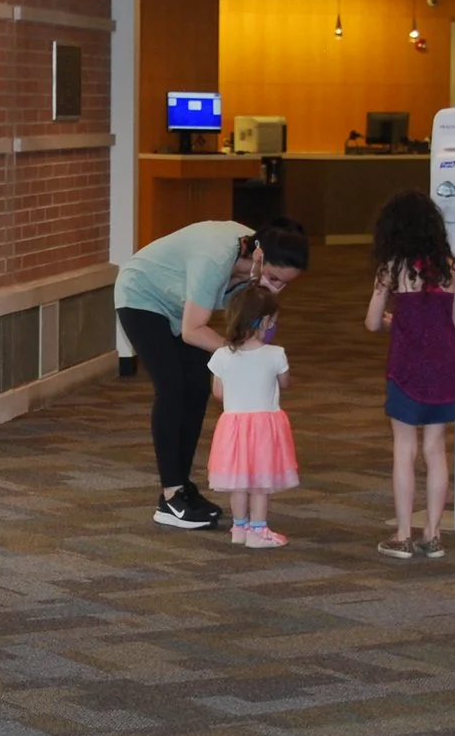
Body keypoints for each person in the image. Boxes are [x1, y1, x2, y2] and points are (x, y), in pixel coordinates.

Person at [114, 217, 310, 529]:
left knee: (197, 386)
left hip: (180, 306)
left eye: (284, 284)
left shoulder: (256, 263)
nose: (275, 288)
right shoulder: (215, 257)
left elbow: (241, 325)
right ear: (259, 256)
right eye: (273, 278)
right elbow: (194, 330)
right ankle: (171, 494)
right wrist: (241, 357)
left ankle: (182, 486)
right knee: (172, 386)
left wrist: (252, 347)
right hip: (142, 295)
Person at [366, 192, 455, 560]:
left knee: (404, 449)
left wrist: (395, 320)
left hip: (407, 366)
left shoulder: (391, 268)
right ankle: (433, 534)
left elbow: (373, 322)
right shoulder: (449, 267)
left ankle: (403, 534)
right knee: (435, 450)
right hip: (445, 366)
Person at [206, 285, 299, 548]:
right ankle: (258, 531)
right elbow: (285, 382)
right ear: (266, 321)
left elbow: (218, 393)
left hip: (233, 427)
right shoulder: (275, 354)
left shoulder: (221, 355)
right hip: (264, 428)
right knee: (260, 483)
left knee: (238, 482)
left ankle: (239, 527)